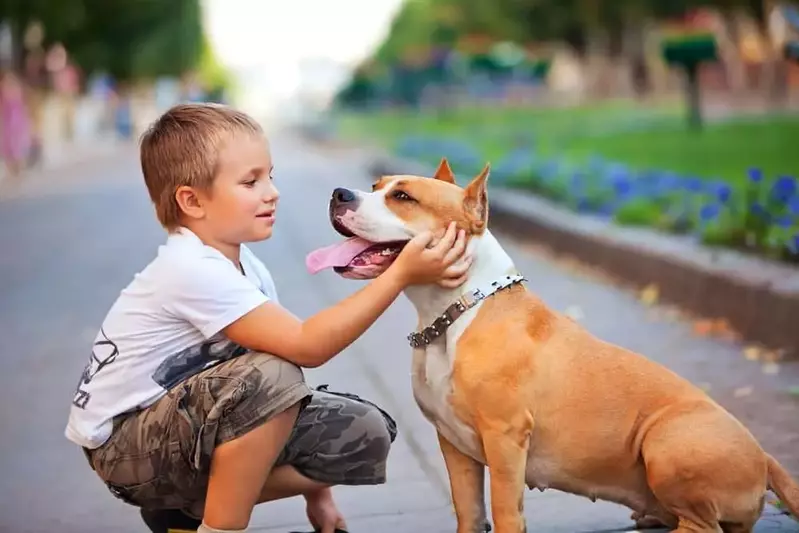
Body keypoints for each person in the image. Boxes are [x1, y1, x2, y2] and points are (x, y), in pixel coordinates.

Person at [64, 103, 471, 533]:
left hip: (186, 433)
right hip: (127, 452)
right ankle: (218, 526)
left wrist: (320, 497)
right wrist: (401, 273)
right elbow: (306, 347)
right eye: (250, 181)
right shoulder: (189, 268)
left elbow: (280, 389)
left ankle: (183, 510)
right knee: (274, 374)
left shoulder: (247, 268)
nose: (271, 192)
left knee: (363, 433)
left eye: (270, 176)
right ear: (192, 201)